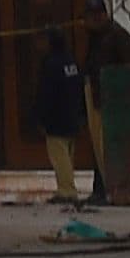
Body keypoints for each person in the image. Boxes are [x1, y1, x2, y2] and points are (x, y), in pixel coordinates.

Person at [80, 0, 130, 199]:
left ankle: (116, 189)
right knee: (100, 148)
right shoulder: (96, 38)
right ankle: (102, 189)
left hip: (114, 102)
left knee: (112, 149)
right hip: (98, 98)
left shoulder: (117, 36)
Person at [32, 23, 89, 203]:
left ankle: (67, 191)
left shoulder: (51, 64)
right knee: (68, 155)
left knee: (60, 157)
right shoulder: (71, 61)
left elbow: (45, 93)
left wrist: (40, 117)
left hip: (56, 118)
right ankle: (66, 187)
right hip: (72, 115)